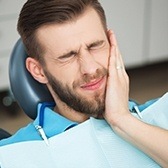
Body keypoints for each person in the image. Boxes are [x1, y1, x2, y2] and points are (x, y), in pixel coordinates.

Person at [0, 0, 168, 167]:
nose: (90, 68)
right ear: (38, 70)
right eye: (68, 56)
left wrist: (122, 120)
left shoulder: (161, 111)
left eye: (95, 46)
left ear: (111, 42)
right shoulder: (11, 155)